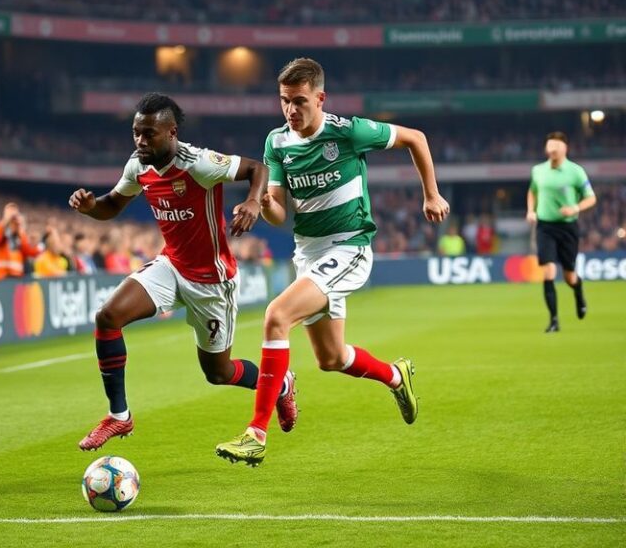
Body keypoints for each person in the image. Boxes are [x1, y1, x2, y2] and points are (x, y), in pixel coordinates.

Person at [215, 57, 450, 466]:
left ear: (320, 98)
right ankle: (397, 377)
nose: (291, 110)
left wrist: (430, 194)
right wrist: (265, 202)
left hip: (349, 246)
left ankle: (256, 431)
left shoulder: (348, 132)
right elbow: (279, 215)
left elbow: (416, 137)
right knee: (331, 358)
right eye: (285, 101)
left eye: (300, 101)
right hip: (308, 253)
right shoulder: (277, 142)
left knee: (275, 316)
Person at [68, 92, 297, 451]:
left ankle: (281, 383)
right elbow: (112, 205)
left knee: (217, 373)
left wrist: (253, 201)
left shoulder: (199, 163)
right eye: (136, 133)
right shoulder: (138, 166)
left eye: (148, 134)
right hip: (171, 265)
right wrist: (90, 207)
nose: (141, 141)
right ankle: (120, 416)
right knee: (107, 316)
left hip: (212, 280)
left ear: (171, 132)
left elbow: (257, 168)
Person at [526, 131, 596, 333]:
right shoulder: (538, 170)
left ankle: (578, 292)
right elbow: (532, 191)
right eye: (550, 146)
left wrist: (575, 208)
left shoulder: (576, 172)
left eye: (556, 146)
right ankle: (554, 320)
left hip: (567, 227)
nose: (553, 150)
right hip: (545, 226)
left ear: (565, 148)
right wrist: (531, 210)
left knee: (569, 277)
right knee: (548, 271)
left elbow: (591, 198)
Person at [0, 202, 39, 280]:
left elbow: (30, 252)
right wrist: (4, 221)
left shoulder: (20, 236)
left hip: (16, 279)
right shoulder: (0, 233)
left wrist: (22, 229)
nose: (14, 220)